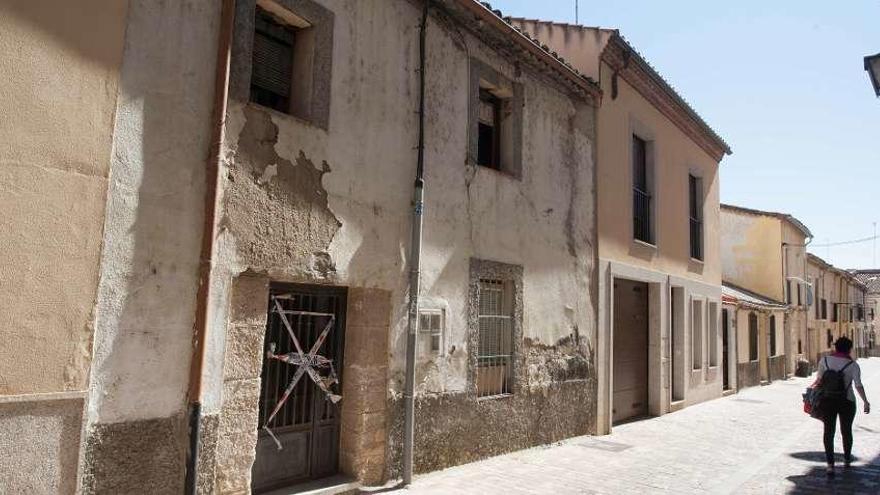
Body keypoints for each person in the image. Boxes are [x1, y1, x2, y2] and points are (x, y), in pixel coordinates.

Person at [811, 337, 871, 477]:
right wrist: (865, 401)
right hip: (847, 401)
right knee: (846, 431)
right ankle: (847, 460)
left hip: (828, 400)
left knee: (828, 431)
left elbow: (819, 380)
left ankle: (830, 465)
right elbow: (858, 385)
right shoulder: (853, 365)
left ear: (835, 347)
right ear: (849, 349)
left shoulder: (824, 361)